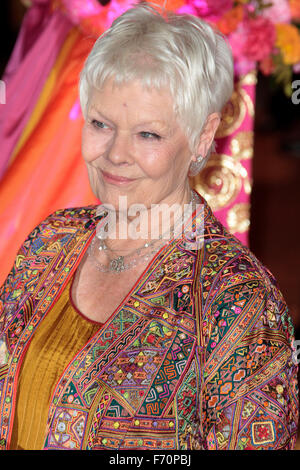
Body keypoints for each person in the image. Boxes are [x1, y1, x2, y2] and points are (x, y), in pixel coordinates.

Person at [0, 3, 298, 451]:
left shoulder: (238, 302)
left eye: (148, 135)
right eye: (101, 124)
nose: (116, 154)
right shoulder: (52, 240)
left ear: (201, 136)